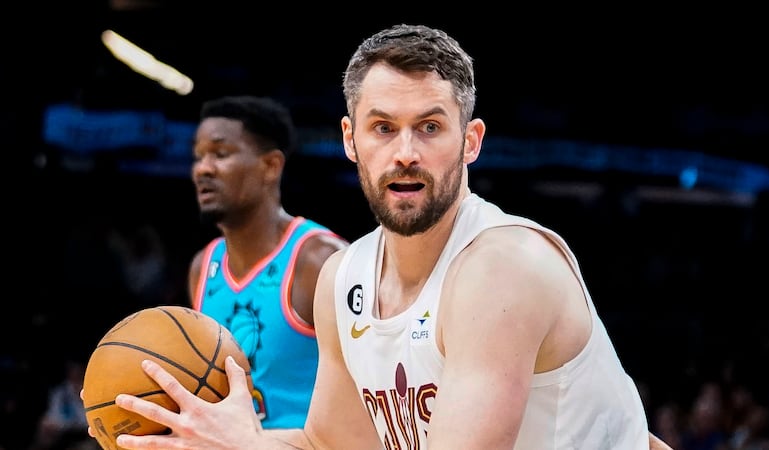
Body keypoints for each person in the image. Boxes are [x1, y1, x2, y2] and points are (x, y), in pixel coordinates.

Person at [94, 24, 672, 449]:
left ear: (470, 141)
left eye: (429, 127)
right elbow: (330, 446)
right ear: (350, 140)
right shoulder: (343, 280)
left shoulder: (502, 267)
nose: (405, 153)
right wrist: (221, 434)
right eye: (382, 128)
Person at [186, 95, 348, 429]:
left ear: (271, 166)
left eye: (220, 153)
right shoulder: (203, 268)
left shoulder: (319, 261)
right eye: (199, 156)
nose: (203, 168)